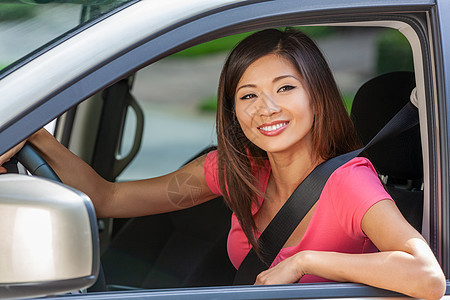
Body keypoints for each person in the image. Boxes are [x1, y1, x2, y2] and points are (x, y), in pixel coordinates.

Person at [0, 28, 445, 299]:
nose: (265, 108)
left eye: (285, 88)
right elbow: (108, 197)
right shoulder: (235, 171)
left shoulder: (350, 184)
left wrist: (306, 261)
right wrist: (37, 135)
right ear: (232, 111)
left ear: (317, 96)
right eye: (247, 96)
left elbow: (427, 277)